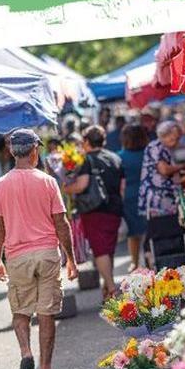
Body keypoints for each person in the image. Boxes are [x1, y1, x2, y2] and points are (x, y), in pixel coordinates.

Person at [0, 128, 78, 369]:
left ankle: (26, 353)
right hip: (47, 253)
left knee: (20, 310)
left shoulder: (0, 185)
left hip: (17, 256)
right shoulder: (48, 181)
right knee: (46, 312)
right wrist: (71, 258)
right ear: (35, 151)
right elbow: (61, 223)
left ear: (12, 152)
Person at [65, 126, 126, 299]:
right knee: (109, 249)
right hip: (114, 208)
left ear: (86, 142)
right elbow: (122, 187)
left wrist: (66, 188)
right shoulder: (115, 158)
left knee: (100, 250)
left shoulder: (87, 160)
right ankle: (108, 287)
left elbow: (82, 185)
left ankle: (112, 287)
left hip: (94, 210)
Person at [139, 121, 185, 265]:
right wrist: (183, 166)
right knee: (158, 231)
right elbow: (164, 170)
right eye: (174, 138)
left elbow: (170, 174)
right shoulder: (155, 147)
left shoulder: (164, 149)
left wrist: (182, 172)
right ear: (164, 136)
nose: (176, 142)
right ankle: (153, 259)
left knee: (169, 230)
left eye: (177, 138)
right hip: (158, 199)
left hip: (166, 197)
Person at [116, 124, 149, 271]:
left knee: (133, 233)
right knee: (149, 230)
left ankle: (134, 263)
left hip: (128, 198)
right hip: (148, 195)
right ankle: (149, 259)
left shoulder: (119, 157)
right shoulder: (149, 154)